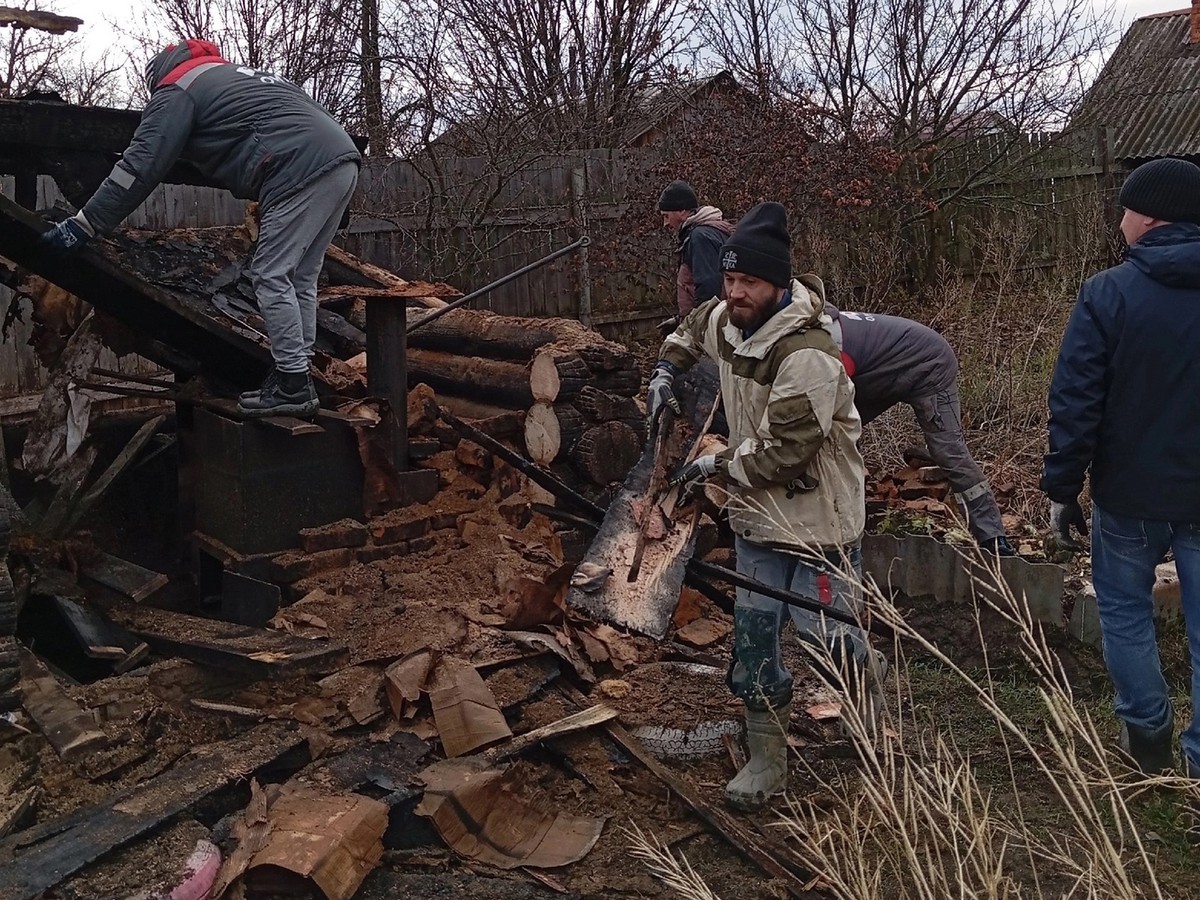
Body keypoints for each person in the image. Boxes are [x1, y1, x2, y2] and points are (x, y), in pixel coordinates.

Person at [648, 201, 884, 811]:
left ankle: (872, 720)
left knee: (826, 638)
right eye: (728, 280)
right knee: (753, 639)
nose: (734, 293)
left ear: (779, 283)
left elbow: (786, 453)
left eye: (748, 281)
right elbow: (689, 327)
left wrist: (713, 466)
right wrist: (665, 375)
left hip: (818, 522)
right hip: (758, 522)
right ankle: (765, 760)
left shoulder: (806, 352)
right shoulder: (728, 319)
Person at [39, 39, 361, 419]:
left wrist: (86, 223)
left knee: (271, 274)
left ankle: (293, 385)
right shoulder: (234, 78)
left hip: (296, 165)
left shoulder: (178, 87)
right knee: (300, 277)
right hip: (343, 158)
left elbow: (140, 166)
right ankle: (295, 375)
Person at [1042, 157, 1200, 779]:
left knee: (1127, 613)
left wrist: (1061, 487)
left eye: (1127, 210)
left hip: (1130, 495)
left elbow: (1076, 399)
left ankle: (1149, 740)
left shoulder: (1108, 293)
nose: (1122, 221)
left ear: (1152, 217)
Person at [824, 305, 1013, 554]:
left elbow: (827, 407)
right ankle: (844, 524)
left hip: (928, 363)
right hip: (877, 373)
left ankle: (993, 538)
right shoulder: (799, 333)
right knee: (837, 437)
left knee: (948, 450)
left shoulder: (826, 343)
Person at [656, 179, 735, 335]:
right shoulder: (710, 231)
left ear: (682, 211)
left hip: (711, 327)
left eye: (666, 216)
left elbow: (709, 289)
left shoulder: (700, 237)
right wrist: (680, 320)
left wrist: (694, 330)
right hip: (717, 321)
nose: (665, 223)